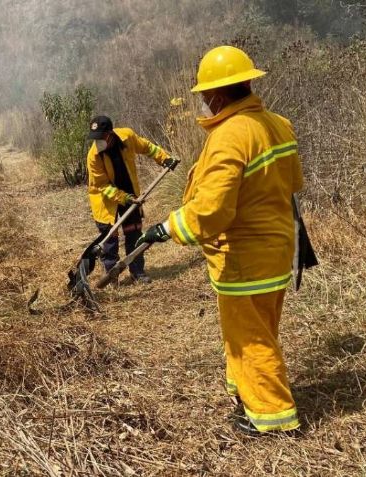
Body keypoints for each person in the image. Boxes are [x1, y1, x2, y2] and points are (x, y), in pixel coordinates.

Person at [136, 46, 305, 435]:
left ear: (215, 95)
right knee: (257, 331)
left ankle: (273, 417)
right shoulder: (279, 124)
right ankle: (245, 394)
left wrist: (167, 228)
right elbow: (292, 183)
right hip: (279, 249)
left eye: (204, 96)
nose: (204, 102)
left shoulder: (231, 135)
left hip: (246, 259)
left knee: (252, 339)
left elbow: (211, 211)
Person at [86, 116, 176, 284]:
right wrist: (123, 198)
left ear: (110, 134)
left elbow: (148, 148)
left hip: (130, 192)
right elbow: (102, 185)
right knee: (109, 237)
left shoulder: (127, 137)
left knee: (134, 232)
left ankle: (137, 271)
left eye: (101, 137)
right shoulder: (94, 155)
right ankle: (112, 275)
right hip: (105, 199)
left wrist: (164, 158)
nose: (97, 141)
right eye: (95, 138)